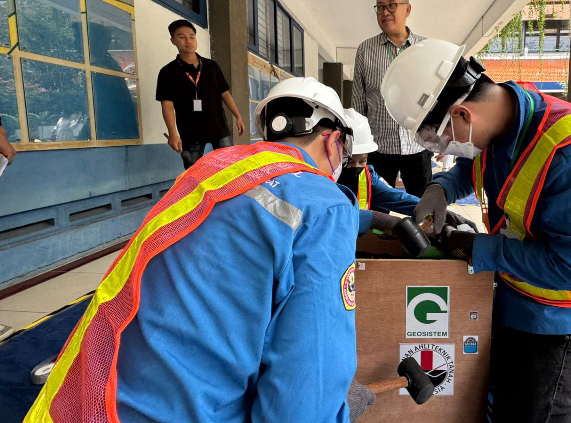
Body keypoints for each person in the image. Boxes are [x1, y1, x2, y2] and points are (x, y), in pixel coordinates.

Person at [25, 77, 376, 423]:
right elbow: (303, 403)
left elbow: (270, 215)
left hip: (88, 396)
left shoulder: (216, 169)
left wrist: (366, 219)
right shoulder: (325, 206)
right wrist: (336, 408)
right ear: (333, 142)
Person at [379, 39, 571, 423]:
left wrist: (477, 247)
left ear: (462, 114)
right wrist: (440, 188)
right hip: (515, 289)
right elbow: (479, 161)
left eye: (438, 139)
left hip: (561, 312)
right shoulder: (506, 116)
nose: (444, 148)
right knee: (504, 397)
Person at [338, 108, 475, 234]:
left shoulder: (366, 176)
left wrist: (431, 208)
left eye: (362, 161)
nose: (356, 167)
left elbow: (395, 198)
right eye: (348, 162)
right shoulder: (321, 179)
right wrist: (375, 219)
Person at [352, 0, 432, 197]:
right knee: (377, 211)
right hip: (379, 150)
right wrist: (359, 147)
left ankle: (423, 233)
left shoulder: (426, 48)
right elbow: (358, 105)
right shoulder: (365, 50)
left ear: (407, 9)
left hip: (418, 147)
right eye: (379, 7)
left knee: (423, 209)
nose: (385, 12)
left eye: (391, 5)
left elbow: (436, 97)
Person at [157, 19, 245, 170]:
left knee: (230, 168)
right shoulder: (168, 72)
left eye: (192, 36)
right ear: (173, 41)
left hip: (218, 128)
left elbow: (225, 93)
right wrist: (173, 132)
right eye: (182, 37)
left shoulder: (212, 66)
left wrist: (238, 116)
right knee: (193, 173)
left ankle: (228, 194)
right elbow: (167, 104)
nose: (188, 41)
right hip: (190, 131)